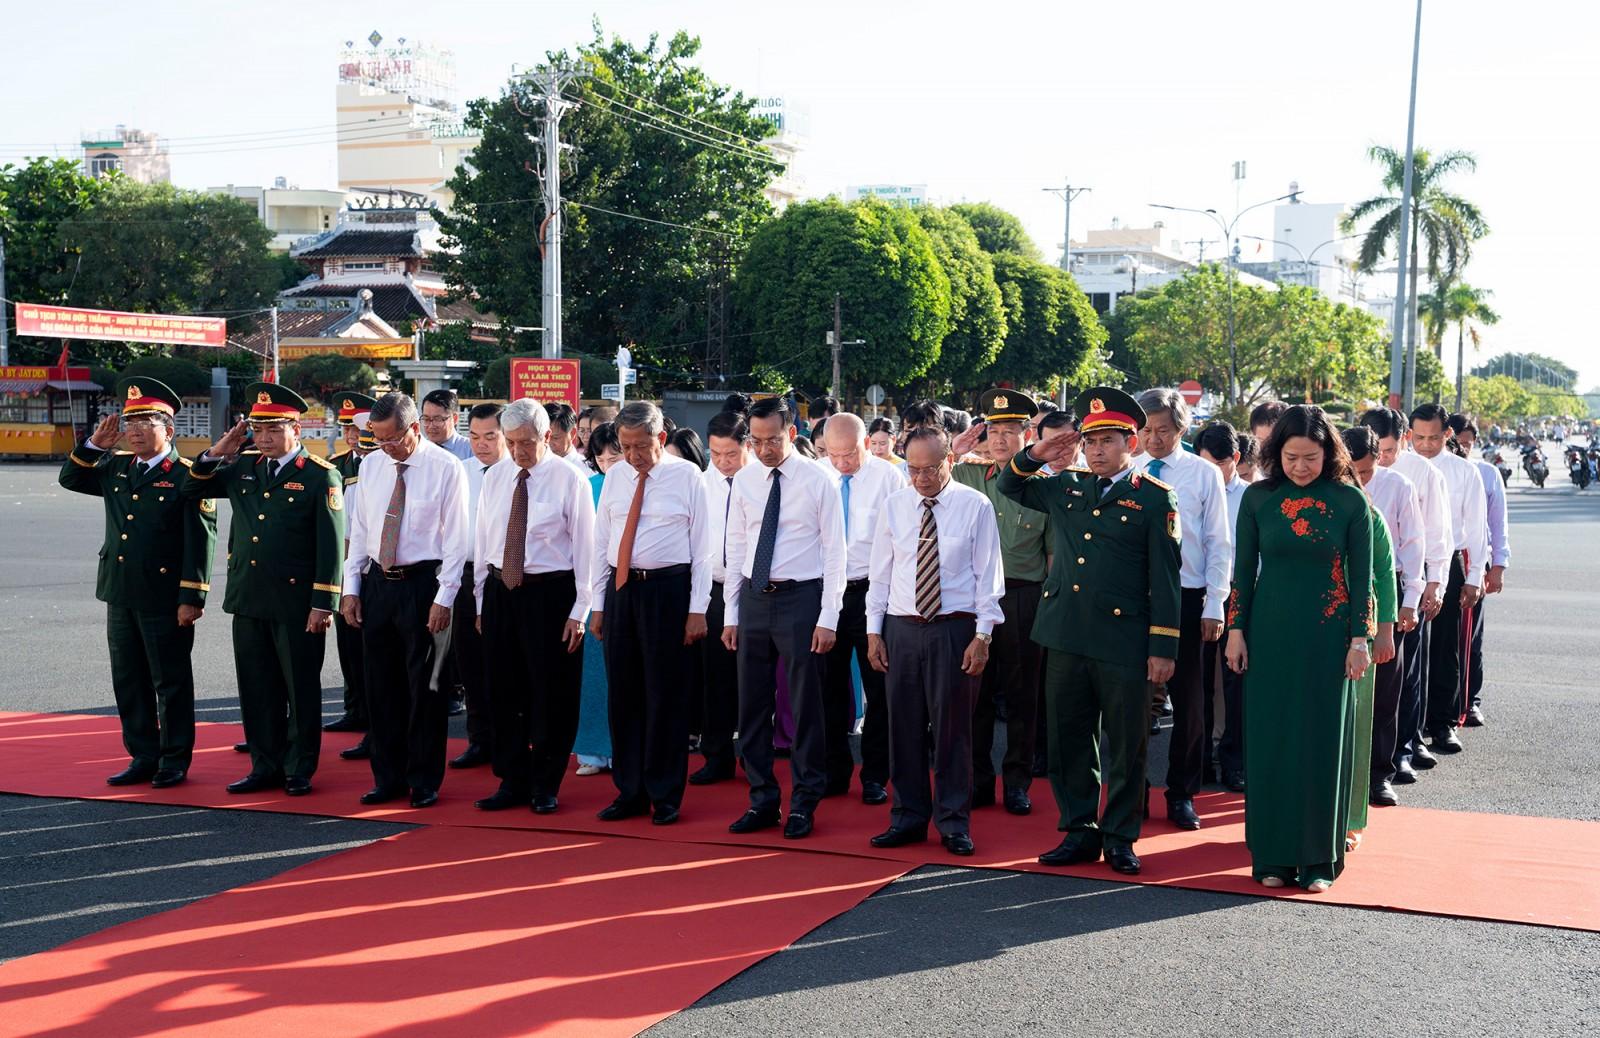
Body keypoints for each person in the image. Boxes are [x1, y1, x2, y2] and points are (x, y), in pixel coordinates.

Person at [998, 387, 1181, 877]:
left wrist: (1163, 647)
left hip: (1124, 643)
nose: (1097, 450)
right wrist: (1039, 451)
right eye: (1090, 440)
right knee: (1069, 740)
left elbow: (1165, 583)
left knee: (1125, 743)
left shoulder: (1153, 500)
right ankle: (1079, 829)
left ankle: (1121, 836)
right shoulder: (1066, 486)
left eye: (1108, 440)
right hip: (1066, 636)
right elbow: (1009, 487)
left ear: (1132, 442)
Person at [1226, 404, 1373, 893]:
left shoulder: (1350, 502)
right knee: (1270, 742)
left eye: (1310, 457)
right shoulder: (1257, 499)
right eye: (1291, 457)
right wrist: (1236, 630)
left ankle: (1318, 860)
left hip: (1330, 637)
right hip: (1268, 636)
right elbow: (1243, 571)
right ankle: (1272, 855)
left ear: (1328, 453)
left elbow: (1362, 579)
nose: (1300, 467)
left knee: (1320, 744)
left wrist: (1360, 640)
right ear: (1275, 453)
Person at [187, 383, 343, 797]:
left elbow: (330, 545)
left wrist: (323, 603)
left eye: (273, 430)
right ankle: (264, 765)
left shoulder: (318, 474)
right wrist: (216, 452)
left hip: (296, 603)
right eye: (258, 430)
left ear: (296, 428)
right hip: (250, 596)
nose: (264, 439)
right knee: (256, 687)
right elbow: (190, 487)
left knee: (300, 688)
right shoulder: (242, 467)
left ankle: (299, 768)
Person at [61, 378, 217, 789]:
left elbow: (201, 540)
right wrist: (93, 445)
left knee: (169, 679)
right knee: (128, 678)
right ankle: (143, 755)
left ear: (168, 429)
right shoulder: (116, 466)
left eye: (145, 421)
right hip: (120, 590)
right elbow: (71, 479)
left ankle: (174, 759)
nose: (133, 430)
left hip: (165, 595)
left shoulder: (188, 475)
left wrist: (192, 596)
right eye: (129, 422)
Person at [865, 426, 1004, 857]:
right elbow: (881, 573)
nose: (921, 478)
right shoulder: (894, 505)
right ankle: (906, 817)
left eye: (930, 469)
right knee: (902, 728)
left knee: (952, 732)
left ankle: (953, 821)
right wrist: (874, 631)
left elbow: (988, 577)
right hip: (901, 628)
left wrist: (983, 636)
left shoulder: (975, 505)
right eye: (913, 469)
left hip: (954, 629)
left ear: (949, 461)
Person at [722, 396, 846, 840]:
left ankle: (804, 803)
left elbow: (836, 552)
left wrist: (829, 615)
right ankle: (762, 800)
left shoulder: (818, 481)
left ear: (791, 433)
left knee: (804, 704)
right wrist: (731, 613)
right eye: (755, 441)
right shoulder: (745, 480)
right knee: (751, 706)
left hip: (801, 599)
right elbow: (736, 546)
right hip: (754, 598)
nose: (764, 449)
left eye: (772, 439)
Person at [340, 392, 471, 809]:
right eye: (376, 438)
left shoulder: (446, 467)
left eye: (392, 438)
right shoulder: (372, 465)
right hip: (379, 584)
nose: (384, 446)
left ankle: (424, 779)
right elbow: (360, 531)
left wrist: (444, 597)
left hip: (423, 585)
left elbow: (457, 540)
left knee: (425, 689)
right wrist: (351, 589)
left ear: (414, 429)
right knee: (381, 687)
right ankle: (388, 777)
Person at [590, 402, 712, 825]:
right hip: (622, 589)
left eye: (641, 446)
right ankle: (630, 791)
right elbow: (601, 539)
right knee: (623, 694)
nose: (633, 456)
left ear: (660, 439)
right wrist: (598, 605)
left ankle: (665, 794)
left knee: (666, 695)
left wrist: (698, 609)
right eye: (625, 447)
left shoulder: (688, 477)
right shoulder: (616, 475)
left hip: (669, 592)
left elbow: (703, 550)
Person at [472, 399, 595, 814]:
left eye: (526, 443)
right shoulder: (496, 476)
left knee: (550, 692)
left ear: (546, 436)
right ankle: (512, 779)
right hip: (500, 591)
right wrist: (478, 600)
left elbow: (587, 551)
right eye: (510, 443)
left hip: (551, 594)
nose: (518, 451)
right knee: (502, 690)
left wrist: (581, 610)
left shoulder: (569, 478)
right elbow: (485, 537)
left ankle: (546, 782)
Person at [1134, 388, 1231, 831]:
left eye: (1164, 431)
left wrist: (1215, 602)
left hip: (1188, 598)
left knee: (1190, 703)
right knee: (1129, 702)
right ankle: (1129, 793)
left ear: (1182, 428)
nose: (1154, 439)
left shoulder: (1202, 474)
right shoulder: (1126, 468)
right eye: (1147, 430)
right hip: (1133, 600)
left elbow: (1217, 542)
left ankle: (1182, 793)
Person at [949, 389, 1050, 815]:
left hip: (1024, 596)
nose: (1001, 439)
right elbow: (924, 483)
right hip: (974, 599)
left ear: (1027, 435)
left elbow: (1052, 556)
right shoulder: (968, 474)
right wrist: (952, 453)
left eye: (1011, 431)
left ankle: (1017, 782)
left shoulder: (1044, 486)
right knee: (976, 693)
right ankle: (978, 780)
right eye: (993, 430)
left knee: (1022, 695)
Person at [820, 412, 907, 803]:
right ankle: (835, 772)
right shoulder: (818, 475)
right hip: (826, 595)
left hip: (873, 593)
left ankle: (875, 776)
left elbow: (900, 540)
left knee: (879, 688)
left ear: (866, 443)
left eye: (849, 454)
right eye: (834, 455)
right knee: (829, 688)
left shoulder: (888, 477)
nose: (842, 463)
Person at [1360, 407, 1449, 785]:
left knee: (1403, 675)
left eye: (1388, 450)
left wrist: (1431, 583)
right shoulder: (1343, 469)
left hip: (1400, 583)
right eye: (1374, 450)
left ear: (1403, 441)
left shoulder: (1418, 476)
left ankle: (1401, 751)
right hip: (1349, 586)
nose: (1380, 459)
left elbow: (1429, 535)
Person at [1344, 425, 1421, 809]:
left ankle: (1378, 776)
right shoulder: (1327, 496)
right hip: (1335, 606)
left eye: (1366, 471)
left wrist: (1410, 602)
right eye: (1350, 471)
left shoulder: (1397, 489)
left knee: (1384, 695)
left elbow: (1411, 546)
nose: (1359, 480)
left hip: (1384, 600)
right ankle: (1338, 777)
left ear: (1380, 459)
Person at [1409, 403, 1488, 755]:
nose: (1426, 445)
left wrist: (1474, 577)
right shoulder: (1398, 466)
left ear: (1447, 434)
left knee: (1445, 647)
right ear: (1409, 434)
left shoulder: (1463, 472)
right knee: (1409, 651)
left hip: (1449, 564)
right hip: (1407, 563)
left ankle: (1441, 724)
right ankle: (1408, 731)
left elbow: (1475, 527)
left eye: (1434, 437)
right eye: (1419, 437)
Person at [691, 410, 754, 786]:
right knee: (715, 678)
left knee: (755, 678)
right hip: (713, 591)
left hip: (754, 590)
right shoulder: (700, 484)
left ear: (746, 446)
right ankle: (716, 756)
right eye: (715, 454)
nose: (723, 462)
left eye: (730, 454)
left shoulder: (762, 482)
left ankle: (753, 753)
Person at [446, 402, 508, 770]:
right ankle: (479, 739)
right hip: (466, 576)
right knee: (469, 664)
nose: (481, 444)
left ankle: (510, 740)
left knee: (504, 666)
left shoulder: (520, 472)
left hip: (506, 579)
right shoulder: (460, 471)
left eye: (490, 436)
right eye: (474, 436)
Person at [1194, 420, 1248, 791]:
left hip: (1239, 592)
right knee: (1197, 682)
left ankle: (1233, 762)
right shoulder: (1188, 485)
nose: (1211, 473)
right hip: (1197, 591)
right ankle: (1197, 762)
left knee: (1236, 680)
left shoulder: (1252, 495)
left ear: (1237, 459)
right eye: (1205, 463)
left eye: (1220, 465)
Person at [1448, 414, 1509, 727]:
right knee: (1444, 641)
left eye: (1469, 444)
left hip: (1475, 562)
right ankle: (1443, 706)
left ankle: (1470, 701)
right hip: (1446, 561)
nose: (1464, 449)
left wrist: (1497, 566)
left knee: (1471, 637)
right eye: (1459, 443)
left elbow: (1497, 525)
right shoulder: (1437, 470)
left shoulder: (1486, 473)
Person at [324, 392, 378, 743]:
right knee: (347, 645)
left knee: (370, 649)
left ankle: (374, 718)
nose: (352, 435)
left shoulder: (378, 463)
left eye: (357, 428)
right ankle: (354, 708)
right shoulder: (335, 466)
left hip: (373, 567)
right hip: (344, 567)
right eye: (347, 428)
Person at [574, 421, 622, 776]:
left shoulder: (641, 486)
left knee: (625, 676)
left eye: (615, 453)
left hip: (629, 587)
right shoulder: (586, 487)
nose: (608, 461)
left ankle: (624, 748)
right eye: (601, 455)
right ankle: (591, 750)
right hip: (590, 590)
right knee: (592, 676)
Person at [421, 389, 473, 461]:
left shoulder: (471, 450)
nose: (431, 426)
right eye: (426, 419)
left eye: (437, 419)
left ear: (454, 419)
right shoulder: (419, 450)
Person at [545, 402, 591, 474]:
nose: (548, 443)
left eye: (555, 438)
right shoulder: (531, 467)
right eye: (544, 437)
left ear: (572, 433)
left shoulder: (588, 471)